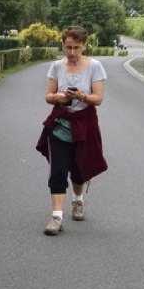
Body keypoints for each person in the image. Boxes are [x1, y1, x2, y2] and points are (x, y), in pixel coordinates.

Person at [35, 26, 108, 235]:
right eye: (68, 47)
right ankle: (56, 217)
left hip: (85, 123)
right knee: (58, 169)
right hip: (60, 124)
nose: (72, 52)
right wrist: (58, 97)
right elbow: (48, 95)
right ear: (63, 45)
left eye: (77, 47)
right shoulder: (56, 66)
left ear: (84, 45)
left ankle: (78, 201)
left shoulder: (95, 66)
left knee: (78, 168)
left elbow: (99, 98)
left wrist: (82, 97)